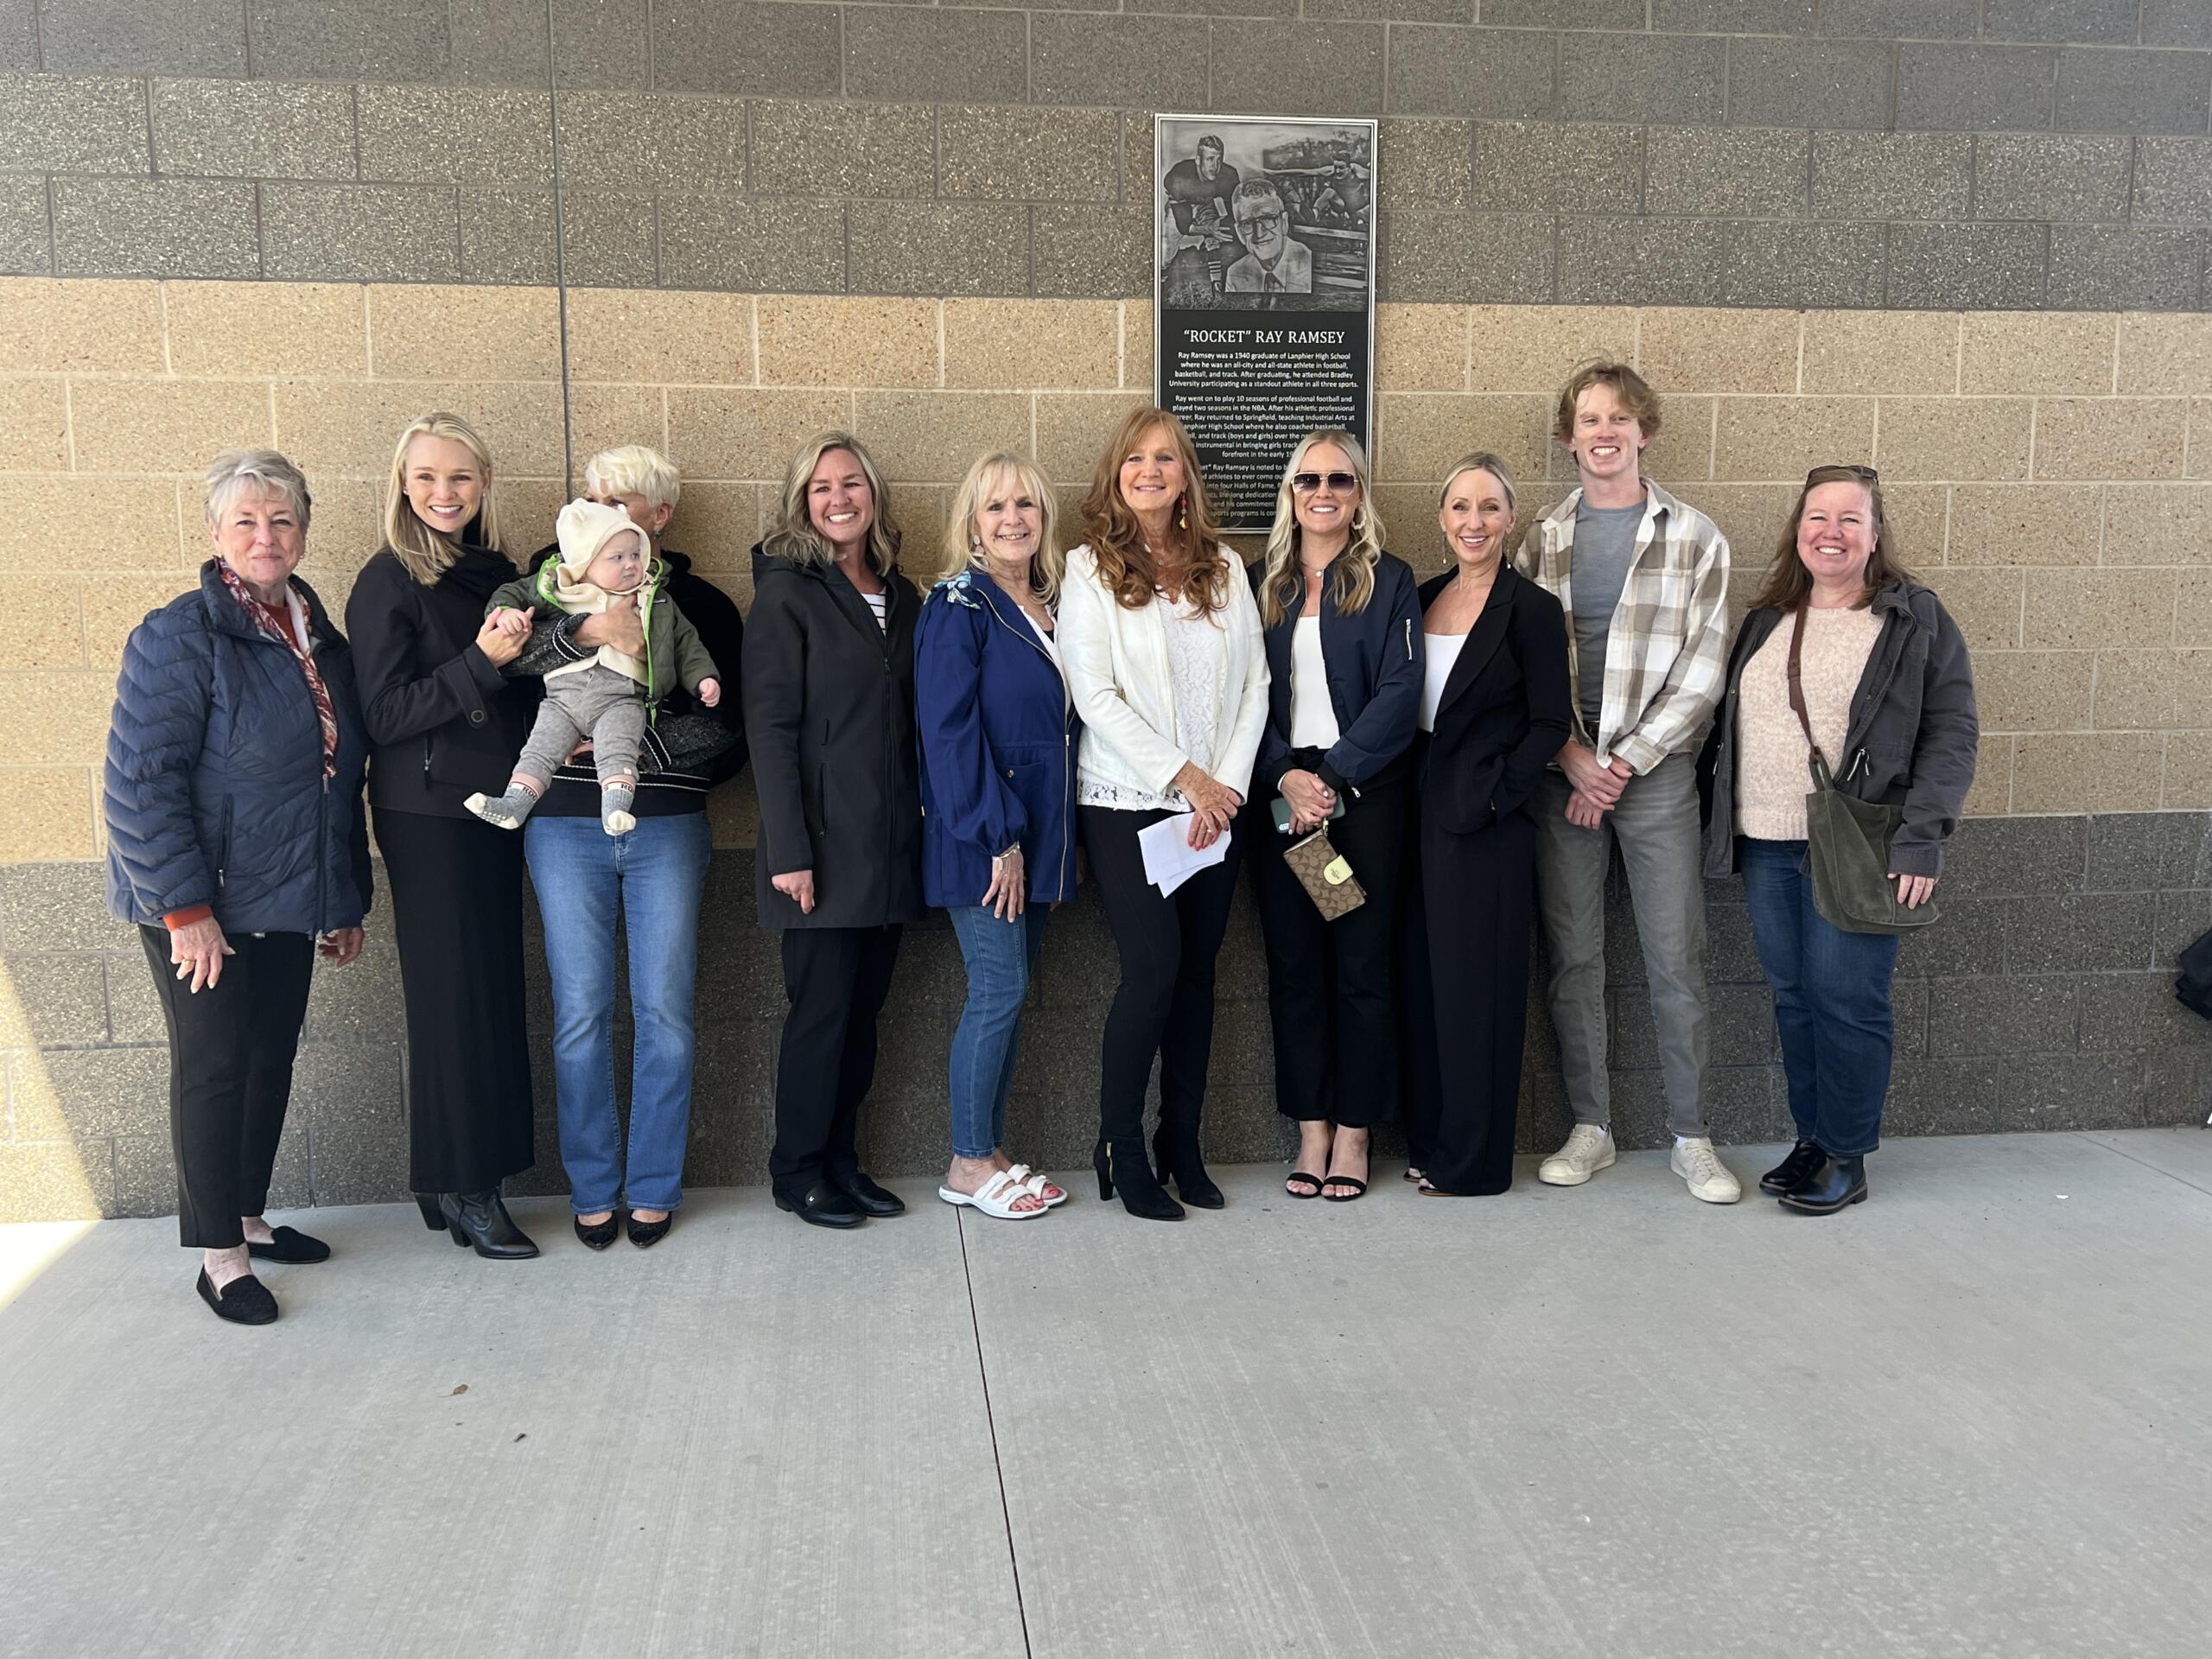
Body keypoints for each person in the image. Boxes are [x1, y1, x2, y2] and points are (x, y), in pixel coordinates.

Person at [104, 450, 371, 1325]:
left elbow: (335, 780)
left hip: (291, 895)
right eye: (247, 520)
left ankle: (248, 1217)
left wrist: (340, 901)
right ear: (216, 532)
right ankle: (219, 1256)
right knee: (216, 1066)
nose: (267, 534)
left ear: (304, 528)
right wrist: (186, 910)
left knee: (267, 1060)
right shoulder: (181, 634)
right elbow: (143, 781)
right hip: (203, 901)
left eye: (282, 519)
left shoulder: (318, 637)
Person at [1700, 466, 1977, 1214]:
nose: (1832, 531)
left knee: (1848, 1001)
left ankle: (1847, 1157)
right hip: (1766, 844)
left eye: (1851, 520)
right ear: (1798, 530)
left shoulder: (1913, 617)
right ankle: (1813, 1139)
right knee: (1795, 999)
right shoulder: (1768, 618)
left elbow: (1952, 732)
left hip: (1858, 846)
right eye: (1818, 517)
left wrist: (1923, 840)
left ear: (1876, 536)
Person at [500, 445, 747, 1250]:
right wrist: (583, 631)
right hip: (565, 828)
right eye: (593, 497)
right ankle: (594, 1186)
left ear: (660, 518)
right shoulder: (548, 583)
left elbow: (728, 728)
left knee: (666, 1013)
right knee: (580, 1015)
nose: (602, 510)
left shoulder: (703, 602)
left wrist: (636, 748)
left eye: (622, 501)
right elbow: (509, 672)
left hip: (667, 826)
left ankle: (652, 1185)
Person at [1523, 362, 1743, 1205]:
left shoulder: (1694, 537)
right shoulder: (1539, 537)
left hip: (1651, 779)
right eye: (1587, 419)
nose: (1602, 431)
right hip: (1562, 774)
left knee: (1674, 954)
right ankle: (1592, 1128)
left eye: (1618, 418)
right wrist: (1572, 759)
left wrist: (1620, 765)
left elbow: (1704, 668)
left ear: (1643, 431)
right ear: (1568, 436)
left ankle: (1691, 1136)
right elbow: (1522, 662)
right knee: (1574, 958)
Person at [1058, 407, 1270, 1221]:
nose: (1150, 471)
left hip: (1218, 810)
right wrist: (1188, 778)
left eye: (1167, 460)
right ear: (1117, 473)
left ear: (1186, 477)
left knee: (1197, 978)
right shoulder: (1087, 568)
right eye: (1136, 459)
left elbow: (1254, 686)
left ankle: (1180, 1141)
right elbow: (1096, 697)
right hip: (1129, 802)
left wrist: (1227, 789)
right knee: (1151, 971)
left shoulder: (1222, 565)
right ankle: (1118, 1142)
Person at [346, 411, 543, 1258]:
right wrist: (482, 665)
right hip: (426, 815)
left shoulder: (494, 573)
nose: (443, 492)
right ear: (402, 485)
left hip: (494, 808)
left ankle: (446, 1179)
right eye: (426, 477)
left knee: (485, 993)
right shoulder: (389, 579)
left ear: (483, 483)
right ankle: (469, 1189)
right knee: (456, 1000)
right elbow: (383, 713)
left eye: (459, 477)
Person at [745, 431, 924, 1230]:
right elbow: (771, 729)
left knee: (863, 1018)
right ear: (802, 503)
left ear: (873, 495)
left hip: (889, 850)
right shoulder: (787, 593)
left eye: (852, 483)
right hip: (817, 851)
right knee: (819, 1019)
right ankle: (797, 1170)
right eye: (821, 488)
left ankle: (843, 1161)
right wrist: (788, 851)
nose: (839, 498)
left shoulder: (905, 595)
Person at [1245, 431, 1421, 1203]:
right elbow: (1239, 694)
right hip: (1284, 796)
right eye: (1309, 478)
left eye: (1340, 480)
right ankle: (1311, 1126)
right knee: (1294, 969)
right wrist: (1289, 774)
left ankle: (1356, 1129)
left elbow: (1399, 692)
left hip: (1360, 799)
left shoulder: (1389, 582)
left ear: (1359, 494)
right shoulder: (1260, 584)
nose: (1324, 491)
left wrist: (1332, 777)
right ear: (1291, 492)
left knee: (1359, 967)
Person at [1400, 455, 1571, 1198]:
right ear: (1443, 518)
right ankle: (1431, 1141)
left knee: (1478, 995)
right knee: (1425, 987)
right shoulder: (1420, 597)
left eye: (1490, 508)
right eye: (1461, 507)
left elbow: (1548, 722)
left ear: (1509, 519)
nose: (1474, 522)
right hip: (1413, 817)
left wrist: (1499, 796)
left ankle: (1473, 1164)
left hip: (1486, 826)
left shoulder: (1530, 609)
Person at [915, 452, 1080, 1221]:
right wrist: (998, 837)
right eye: (994, 508)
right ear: (972, 524)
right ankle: (968, 1160)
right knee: (999, 989)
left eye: (1025, 505)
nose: (1012, 519)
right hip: (986, 838)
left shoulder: (1054, 600)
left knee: (1008, 995)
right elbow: (947, 734)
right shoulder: (958, 603)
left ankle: (991, 1147)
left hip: (1039, 837)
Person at [464, 499, 721, 836]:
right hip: (562, 699)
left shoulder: (654, 598)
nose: (631, 565)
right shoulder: (558, 586)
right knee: (540, 750)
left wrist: (703, 678)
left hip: (622, 696)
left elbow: (686, 643)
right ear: (585, 564)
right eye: (617, 558)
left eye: (635, 555)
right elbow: (510, 593)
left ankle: (615, 810)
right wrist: (508, 612)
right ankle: (514, 805)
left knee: (618, 749)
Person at [1161, 132, 1243, 302]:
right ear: (1198, 160)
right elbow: (1184, 226)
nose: (1215, 165)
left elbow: (1233, 214)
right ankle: (1160, 278)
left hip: (1205, 202)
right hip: (1180, 207)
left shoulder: (1228, 176)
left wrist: (1222, 228)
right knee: (1166, 253)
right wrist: (1207, 228)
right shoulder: (1179, 178)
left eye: (1219, 159)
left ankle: (1217, 286)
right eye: (1210, 159)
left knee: (1215, 235)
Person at [1224, 179, 1313, 304]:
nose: (1259, 233)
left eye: (1268, 219)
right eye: (1248, 223)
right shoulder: (1235, 274)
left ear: (1284, 223)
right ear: (1240, 233)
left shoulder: (1311, 264)